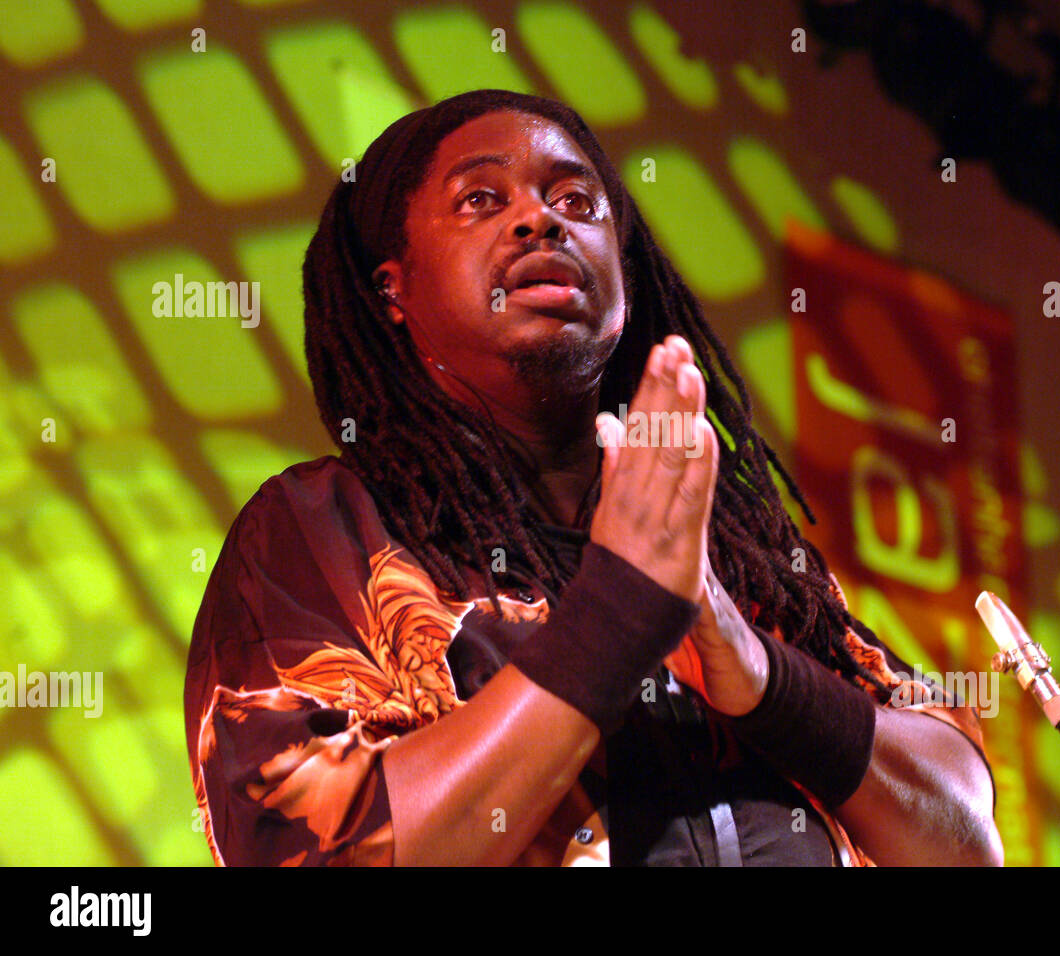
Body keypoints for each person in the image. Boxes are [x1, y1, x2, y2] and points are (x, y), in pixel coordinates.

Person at [184, 89, 1001, 867]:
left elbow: (964, 839)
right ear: (392, 290)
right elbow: (311, 843)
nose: (540, 218)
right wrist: (617, 616)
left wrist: (756, 671)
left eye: (578, 201)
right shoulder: (322, 528)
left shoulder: (730, 551)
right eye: (479, 201)